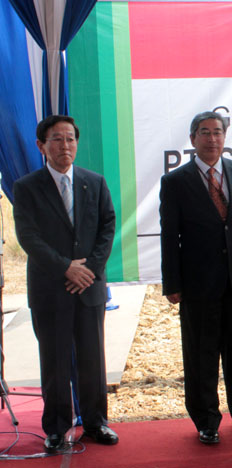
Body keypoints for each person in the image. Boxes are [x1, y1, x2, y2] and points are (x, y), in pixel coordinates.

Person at [13, 115, 117, 452]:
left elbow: (107, 227)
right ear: (41, 146)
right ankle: (56, 428)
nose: (65, 145)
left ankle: (96, 423)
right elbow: (29, 236)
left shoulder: (94, 182)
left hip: (89, 288)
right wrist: (65, 269)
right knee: (54, 360)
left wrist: (89, 270)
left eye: (70, 138)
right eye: (56, 139)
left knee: (92, 359)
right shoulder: (26, 187)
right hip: (50, 288)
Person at [160, 111, 232, 444]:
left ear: (225, 136)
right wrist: (172, 283)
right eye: (204, 132)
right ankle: (206, 420)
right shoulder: (176, 182)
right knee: (201, 353)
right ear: (192, 139)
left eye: (217, 132)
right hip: (197, 282)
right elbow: (169, 236)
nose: (212, 138)